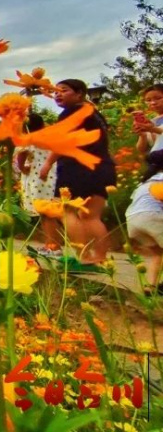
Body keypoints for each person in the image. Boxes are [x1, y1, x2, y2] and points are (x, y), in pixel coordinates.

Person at [39, 79, 117, 265]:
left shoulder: (72, 113)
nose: (57, 94)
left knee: (67, 210)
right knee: (90, 215)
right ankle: (99, 258)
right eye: (56, 91)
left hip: (78, 167)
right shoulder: (94, 113)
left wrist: (48, 162)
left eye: (63, 90)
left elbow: (64, 141)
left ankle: (83, 256)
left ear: (80, 93)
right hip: (102, 166)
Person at [16, 113, 59, 246]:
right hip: (51, 175)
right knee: (50, 212)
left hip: (37, 177)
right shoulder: (48, 137)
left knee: (45, 214)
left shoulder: (29, 139)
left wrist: (22, 167)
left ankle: (53, 246)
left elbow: (21, 154)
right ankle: (51, 244)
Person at [126, 149, 163, 295]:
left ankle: (151, 286)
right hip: (152, 217)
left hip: (133, 220)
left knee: (157, 253)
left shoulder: (145, 182)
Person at [135, 84, 163, 156]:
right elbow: (141, 149)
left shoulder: (150, 125)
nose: (153, 103)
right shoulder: (152, 121)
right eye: (148, 100)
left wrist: (153, 129)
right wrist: (142, 136)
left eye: (158, 98)